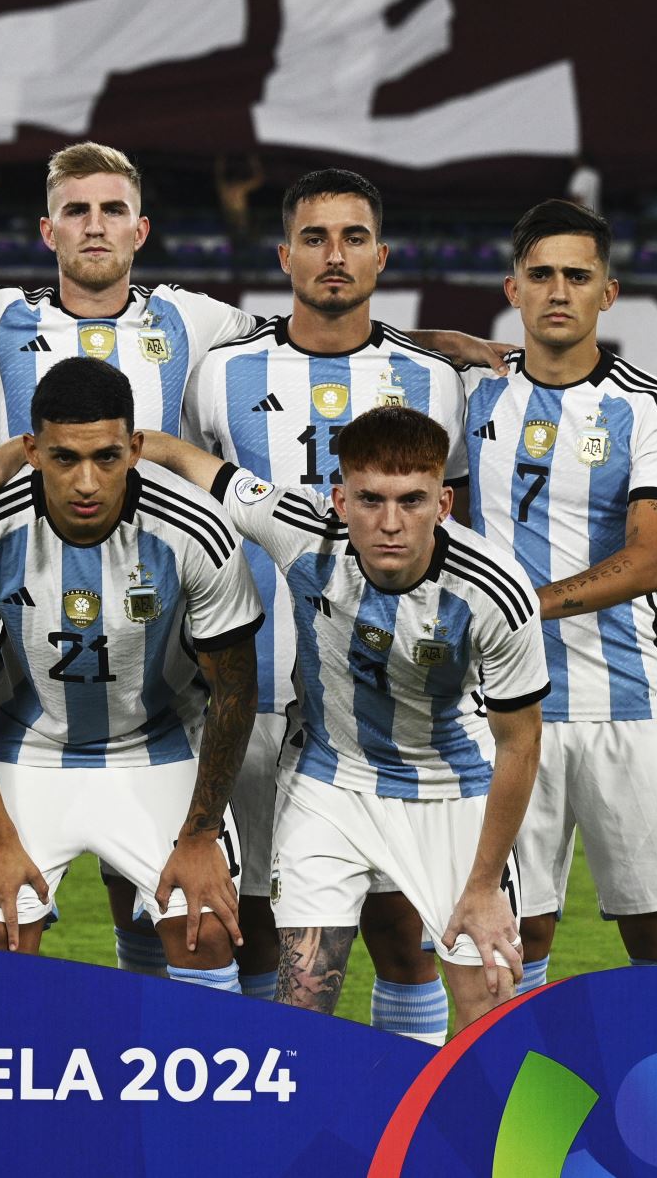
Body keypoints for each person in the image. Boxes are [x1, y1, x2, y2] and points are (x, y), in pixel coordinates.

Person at [0, 140, 510, 972]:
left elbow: (319, 314)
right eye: (78, 211)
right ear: (48, 229)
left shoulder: (196, 321)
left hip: (180, 637)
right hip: (27, 643)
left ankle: (182, 1056)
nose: (96, 228)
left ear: (141, 229)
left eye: (113, 211)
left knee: (213, 906)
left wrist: (430, 339)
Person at [175, 169, 470, 1037]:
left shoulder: (434, 379)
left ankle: (401, 1126)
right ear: (284, 255)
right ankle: (284, 1125)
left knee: (402, 934)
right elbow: (201, 511)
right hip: (251, 694)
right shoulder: (222, 374)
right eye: (314, 237)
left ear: (382, 254)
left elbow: (448, 536)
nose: (333, 255)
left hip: (383, 705)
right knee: (265, 928)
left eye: (352, 237)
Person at [146, 406, 548, 1032]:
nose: (391, 523)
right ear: (338, 499)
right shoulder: (299, 531)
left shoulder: (495, 591)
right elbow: (187, 459)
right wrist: (6, 457)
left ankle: (472, 1132)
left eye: (412, 501)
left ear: (444, 503)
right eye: (371, 500)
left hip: (454, 792)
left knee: (488, 1004)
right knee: (302, 1001)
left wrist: (486, 884)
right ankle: (290, 1133)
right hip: (328, 783)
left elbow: (520, 746)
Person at [0, 358, 261, 992]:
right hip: (27, 751)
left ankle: (184, 1090)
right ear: (30, 451)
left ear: (134, 449)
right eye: (63, 458)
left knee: (205, 929)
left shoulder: (197, 530)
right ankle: (16, 1092)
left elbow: (234, 693)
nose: (85, 481)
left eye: (106, 457)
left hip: (158, 746)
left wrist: (201, 834)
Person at [465, 199, 657, 986]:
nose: (558, 291)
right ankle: (512, 1109)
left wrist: (520, 604)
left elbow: (648, 559)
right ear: (513, 289)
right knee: (515, 931)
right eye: (541, 275)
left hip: (627, 703)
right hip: (508, 710)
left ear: (609, 293)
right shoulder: (471, 396)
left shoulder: (652, 405)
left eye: (578, 275)